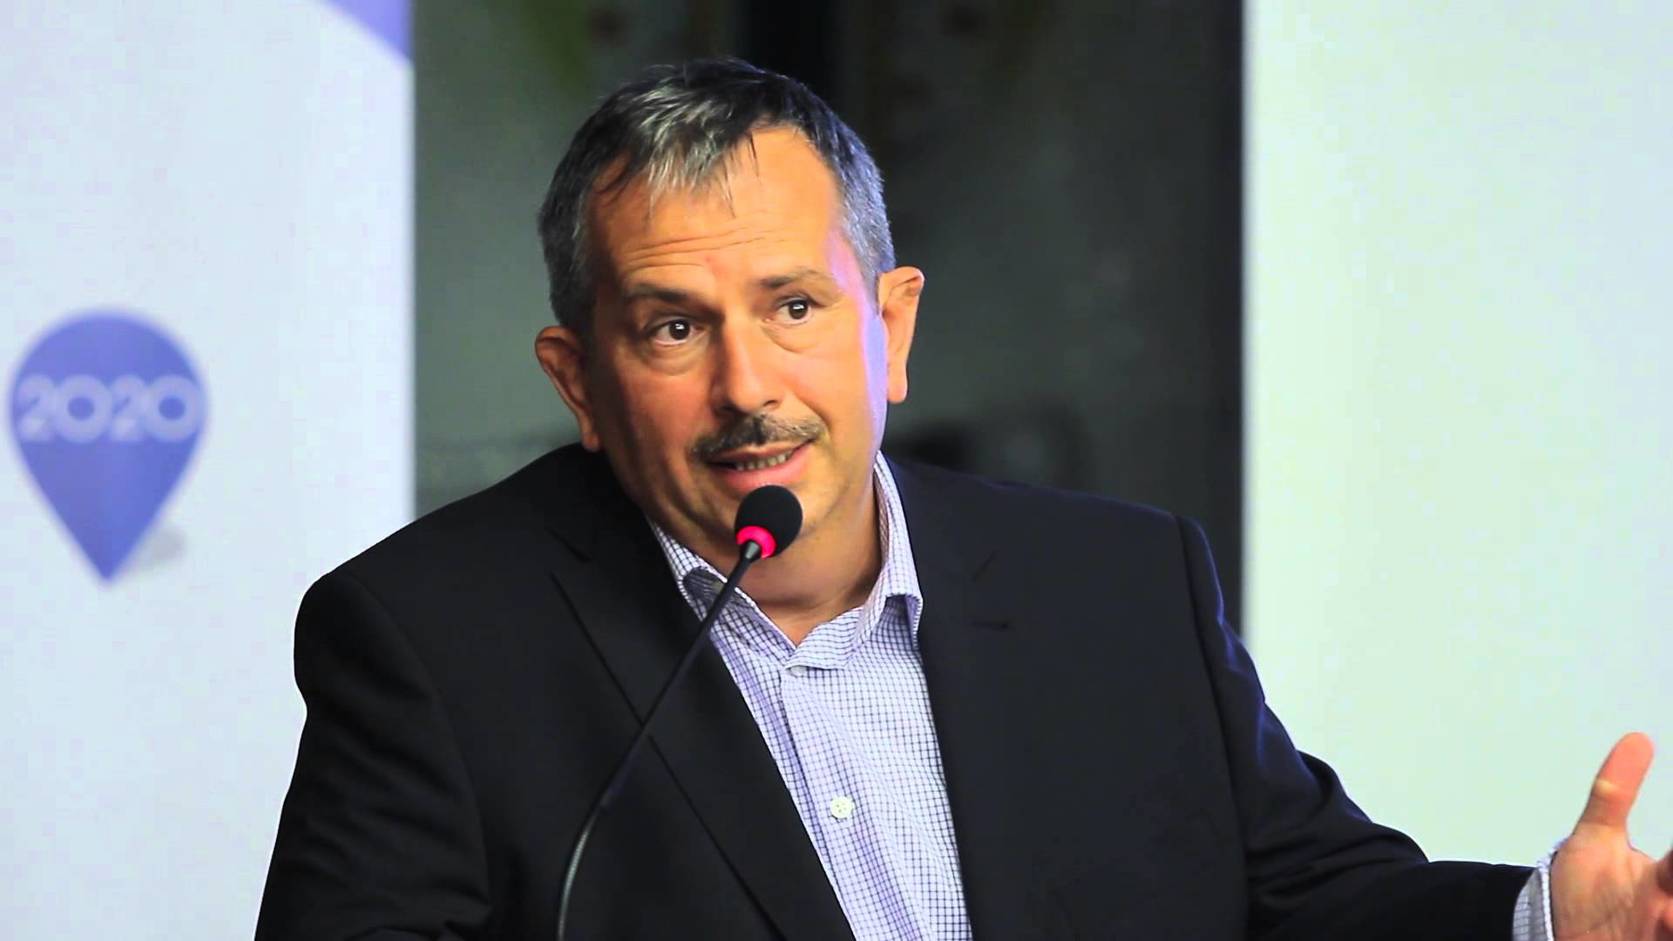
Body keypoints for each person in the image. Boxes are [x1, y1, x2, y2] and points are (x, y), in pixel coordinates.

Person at [256, 58, 1671, 940]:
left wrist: (1549, 922)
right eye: (674, 328)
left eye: (794, 306)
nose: (748, 386)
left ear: (891, 327)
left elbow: (1309, 900)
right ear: (580, 379)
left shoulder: (1116, 587)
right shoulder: (433, 641)